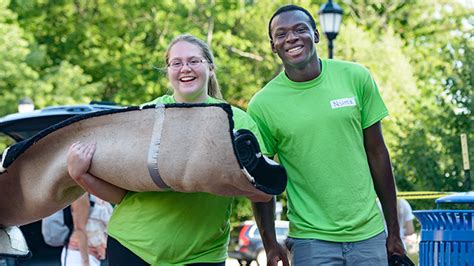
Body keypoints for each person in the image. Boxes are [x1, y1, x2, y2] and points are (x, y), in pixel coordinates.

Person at [67, 34, 271, 265]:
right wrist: (80, 175)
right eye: (176, 63)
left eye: (194, 61)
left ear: (211, 68)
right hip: (132, 247)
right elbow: (122, 196)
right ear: (168, 71)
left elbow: (264, 192)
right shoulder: (144, 117)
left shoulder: (238, 121)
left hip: (201, 256)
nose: (185, 68)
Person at [248, 4, 405, 265]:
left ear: (316, 35)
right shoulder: (262, 105)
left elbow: (378, 153)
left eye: (300, 29)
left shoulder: (356, 77)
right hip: (311, 241)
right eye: (281, 34)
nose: (292, 38)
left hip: (369, 236)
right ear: (273, 45)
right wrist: (270, 242)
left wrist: (394, 230)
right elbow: (262, 178)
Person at [61, 194, 112, 266]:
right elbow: (80, 228)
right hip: (80, 256)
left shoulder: (99, 194)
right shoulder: (82, 195)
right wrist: (85, 262)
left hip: (93, 257)